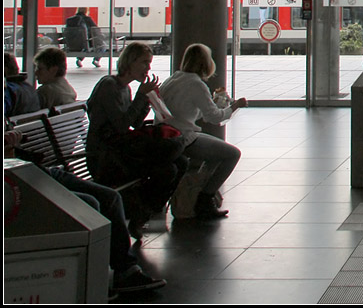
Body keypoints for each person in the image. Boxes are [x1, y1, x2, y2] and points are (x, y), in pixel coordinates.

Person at [4, 127, 166, 294]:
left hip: (37, 172)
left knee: (110, 198)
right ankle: (92, 279)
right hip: (18, 181)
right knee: (89, 205)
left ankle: (126, 270)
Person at [85, 41, 188, 239]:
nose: (148, 67)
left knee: (180, 163)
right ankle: (140, 213)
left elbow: (134, 123)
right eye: (144, 62)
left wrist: (146, 100)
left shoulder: (124, 89)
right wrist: (141, 97)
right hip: (106, 157)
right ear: (130, 62)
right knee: (169, 169)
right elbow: (121, 126)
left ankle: (143, 212)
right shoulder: (109, 86)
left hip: (120, 152)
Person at [160, 43, 247, 219]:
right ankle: (205, 198)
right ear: (206, 64)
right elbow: (214, 118)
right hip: (184, 137)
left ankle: (202, 192)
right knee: (231, 154)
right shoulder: (196, 84)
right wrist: (235, 106)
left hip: (167, 135)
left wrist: (210, 103)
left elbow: (189, 110)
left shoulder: (173, 79)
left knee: (217, 154)